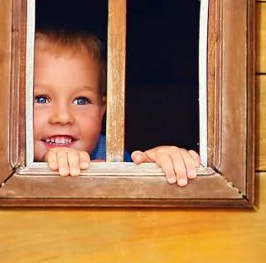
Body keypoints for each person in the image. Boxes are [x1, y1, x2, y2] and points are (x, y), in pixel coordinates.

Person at [32, 28, 201, 184]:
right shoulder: (6, 167)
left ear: (102, 109)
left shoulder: (112, 154)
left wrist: (158, 165)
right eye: (40, 99)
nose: (63, 117)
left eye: (81, 101)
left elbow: (137, 191)